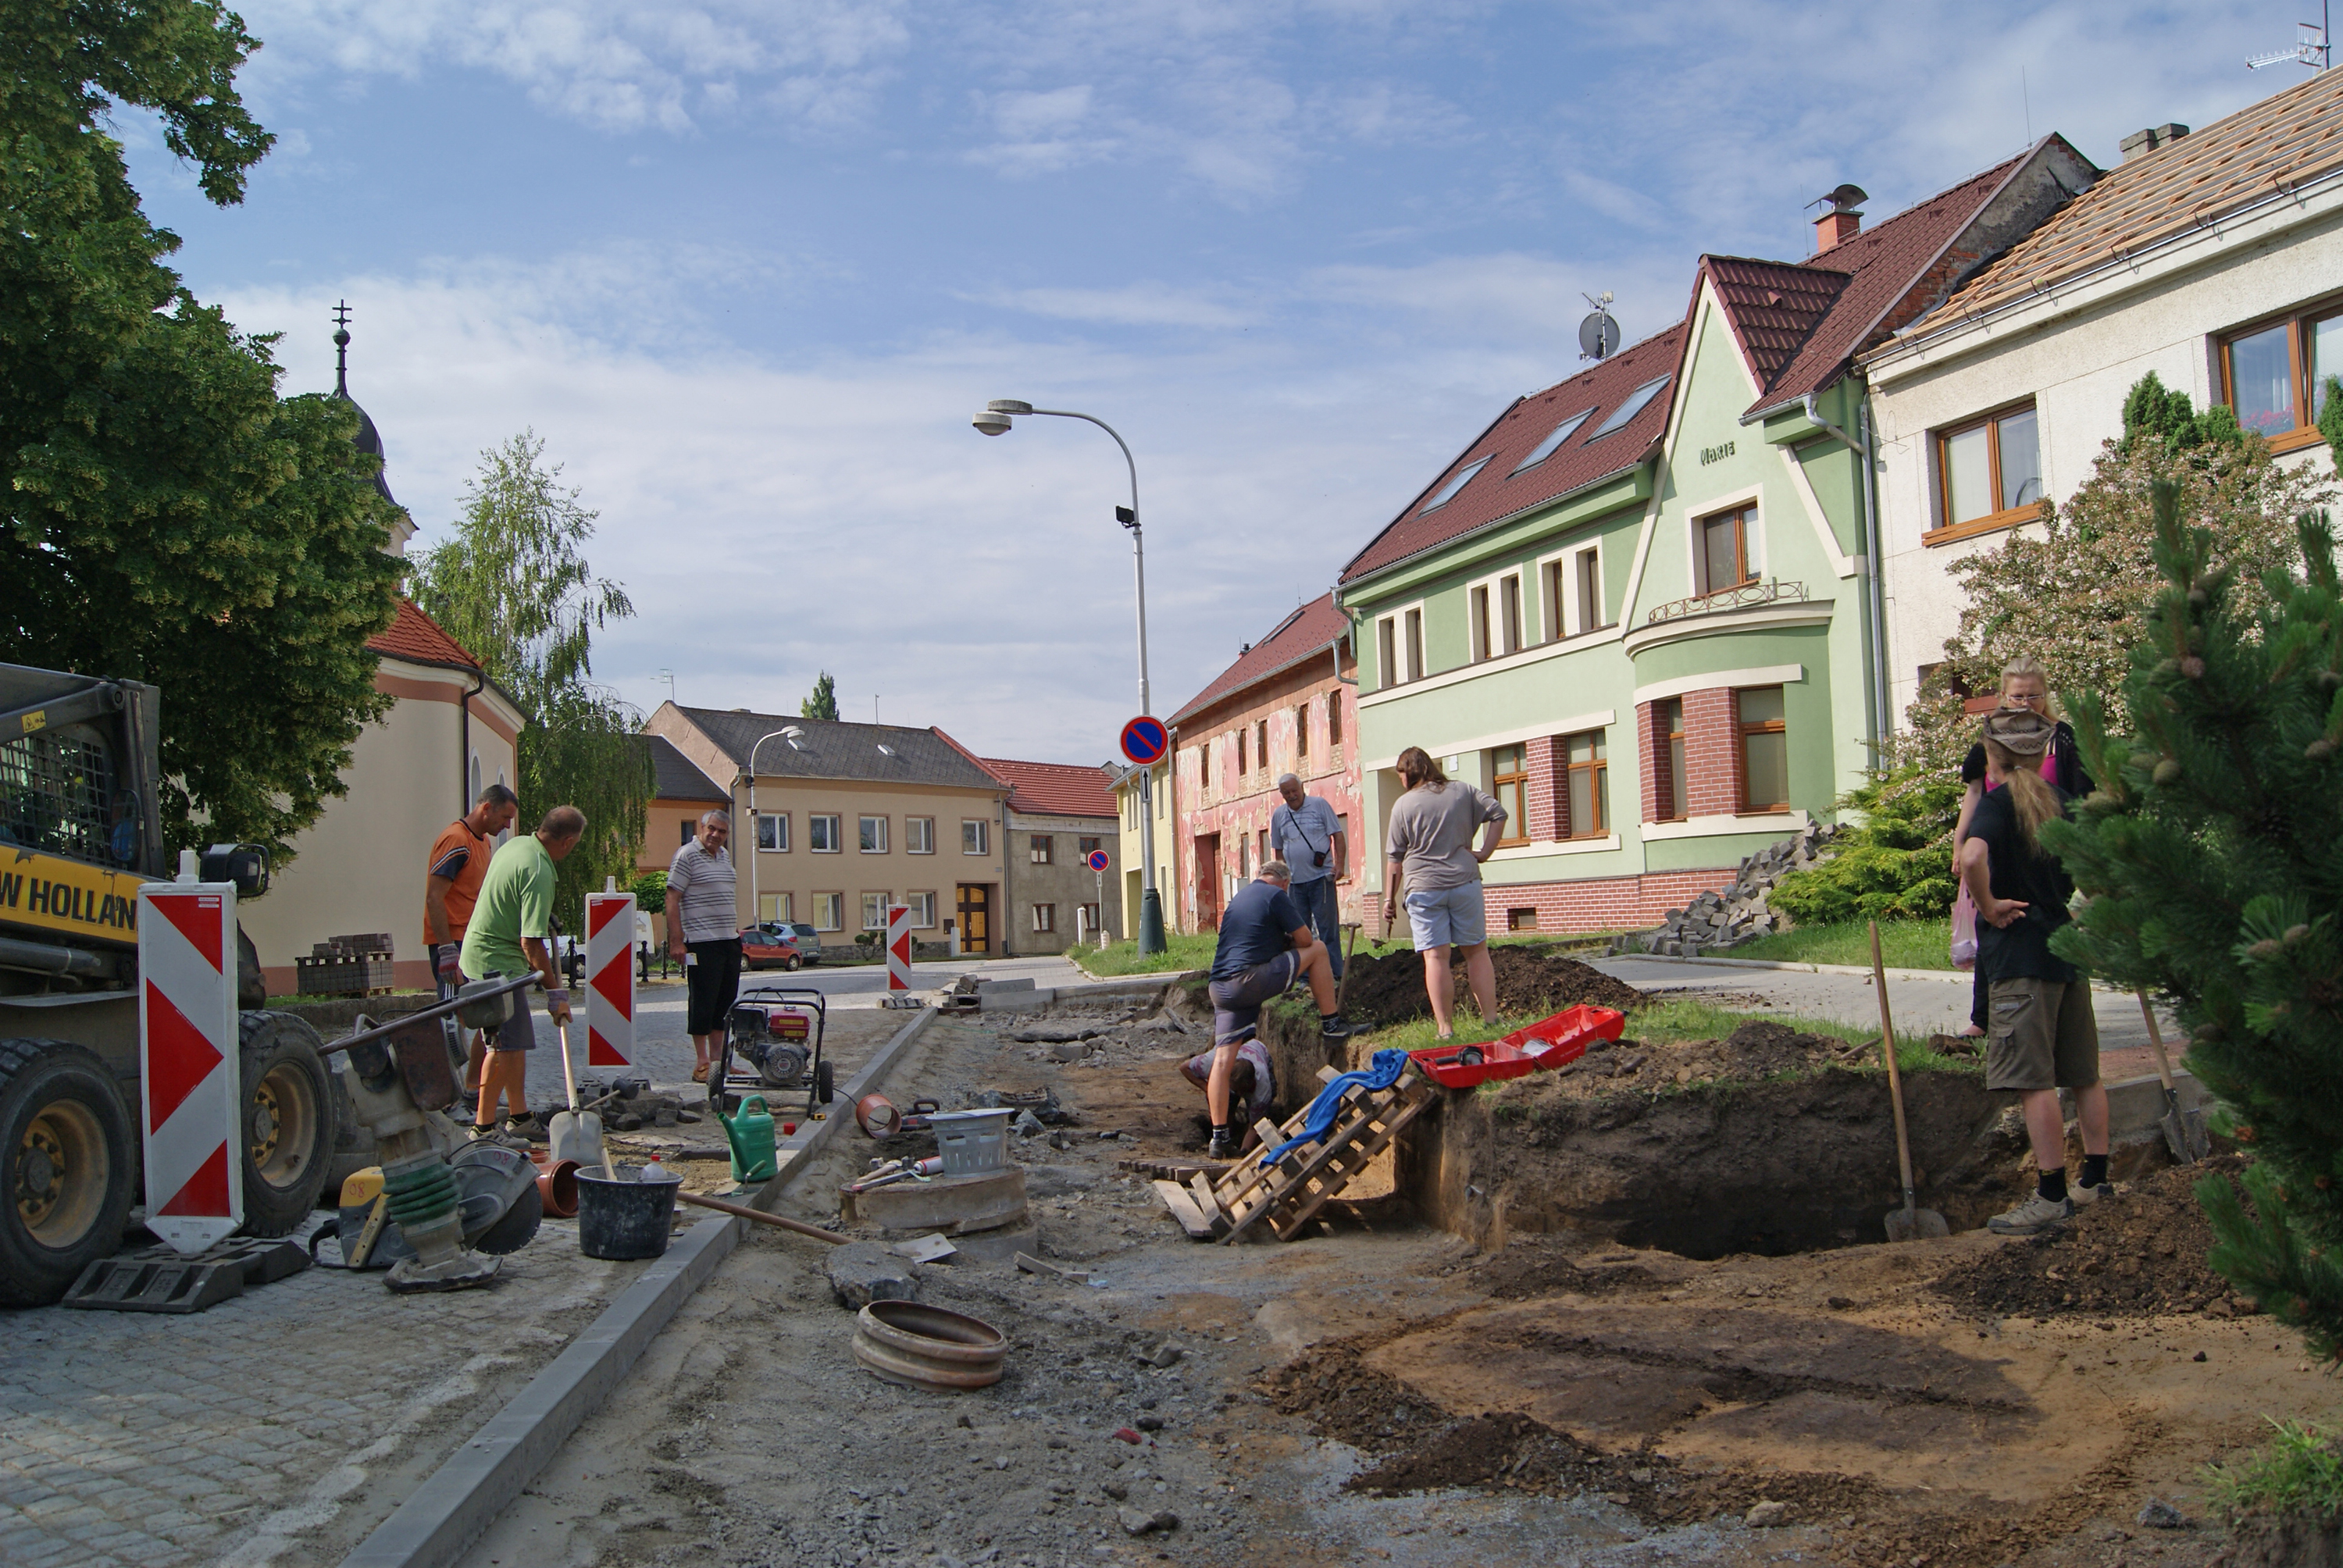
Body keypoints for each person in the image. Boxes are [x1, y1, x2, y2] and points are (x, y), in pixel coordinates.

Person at [1959, 710, 2110, 1235]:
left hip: (2020, 960)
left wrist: (1989, 904)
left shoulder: (1996, 806)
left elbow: (1971, 857)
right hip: (2067, 954)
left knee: (2034, 1081)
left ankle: (2050, 1195)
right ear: (2045, 753)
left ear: (1992, 757)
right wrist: (2081, 911)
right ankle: (2096, 1181)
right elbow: (2101, 867)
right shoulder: (2064, 803)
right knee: (2084, 1075)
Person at [1954, 656, 2094, 1036]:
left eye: (2034, 696)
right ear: (2004, 696)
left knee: (2042, 917)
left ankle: (2051, 1007)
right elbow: (1974, 790)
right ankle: (1984, 1018)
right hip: (1997, 837)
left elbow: (2082, 797)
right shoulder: (1992, 738)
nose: (2026, 704)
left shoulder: (2061, 738)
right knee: (1993, 926)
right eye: (2018, 697)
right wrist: (1960, 841)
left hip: (2046, 838)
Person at [1203, 860, 1352, 1160]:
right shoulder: (1276, 895)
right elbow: (1305, 940)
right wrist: (1289, 942)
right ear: (1285, 882)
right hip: (1248, 981)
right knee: (1319, 950)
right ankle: (1332, 1023)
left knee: (1223, 1060)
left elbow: (1249, 941)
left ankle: (1219, 1139)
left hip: (1220, 987)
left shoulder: (1239, 898)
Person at [458, 805, 587, 1141]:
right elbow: (530, 944)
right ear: (568, 841)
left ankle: (519, 1117)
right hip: (497, 965)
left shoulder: (517, 845)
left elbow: (509, 901)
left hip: (483, 956)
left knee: (515, 1044)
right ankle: (483, 1128)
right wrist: (556, 994)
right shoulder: (539, 870)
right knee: (502, 1048)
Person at [1381, 747, 1506, 1041]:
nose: (1401, 781)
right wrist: (1484, 853)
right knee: (1477, 952)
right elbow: (1498, 814)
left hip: (1423, 888)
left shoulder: (1403, 805)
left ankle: (1445, 1029)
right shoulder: (1462, 791)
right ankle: (1491, 1020)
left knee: (1436, 958)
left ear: (1410, 771)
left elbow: (1395, 860)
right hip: (1465, 882)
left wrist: (1389, 899)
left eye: (1401, 775)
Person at [424, 784, 520, 1116]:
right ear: (486, 808)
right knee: (450, 1023)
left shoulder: (482, 842)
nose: (507, 825)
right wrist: (446, 950)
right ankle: (445, 1101)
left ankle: (471, 1090)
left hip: (472, 940)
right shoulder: (456, 840)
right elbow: (434, 897)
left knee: (488, 1017)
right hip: (452, 942)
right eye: (505, 817)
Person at [666, 810, 740, 1083]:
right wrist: (677, 941)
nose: (715, 835)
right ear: (702, 827)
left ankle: (719, 1063)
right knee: (703, 1002)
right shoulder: (687, 855)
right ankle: (702, 1063)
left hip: (728, 940)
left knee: (724, 1003)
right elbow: (672, 898)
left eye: (722, 831)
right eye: (712, 828)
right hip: (700, 941)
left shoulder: (724, 856)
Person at [1269, 772, 1349, 980]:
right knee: (1299, 933)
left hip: (1321, 878)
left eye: (1294, 791)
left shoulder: (1319, 805)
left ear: (1302, 787)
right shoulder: (1279, 815)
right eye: (1286, 793)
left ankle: (1335, 975)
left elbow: (1338, 835)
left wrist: (1340, 865)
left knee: (1328, 930)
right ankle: (1304, 977)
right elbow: (1279, 850)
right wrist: (1281, 879)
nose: (1291, 795)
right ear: (1281, 794)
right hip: (1295, 884)